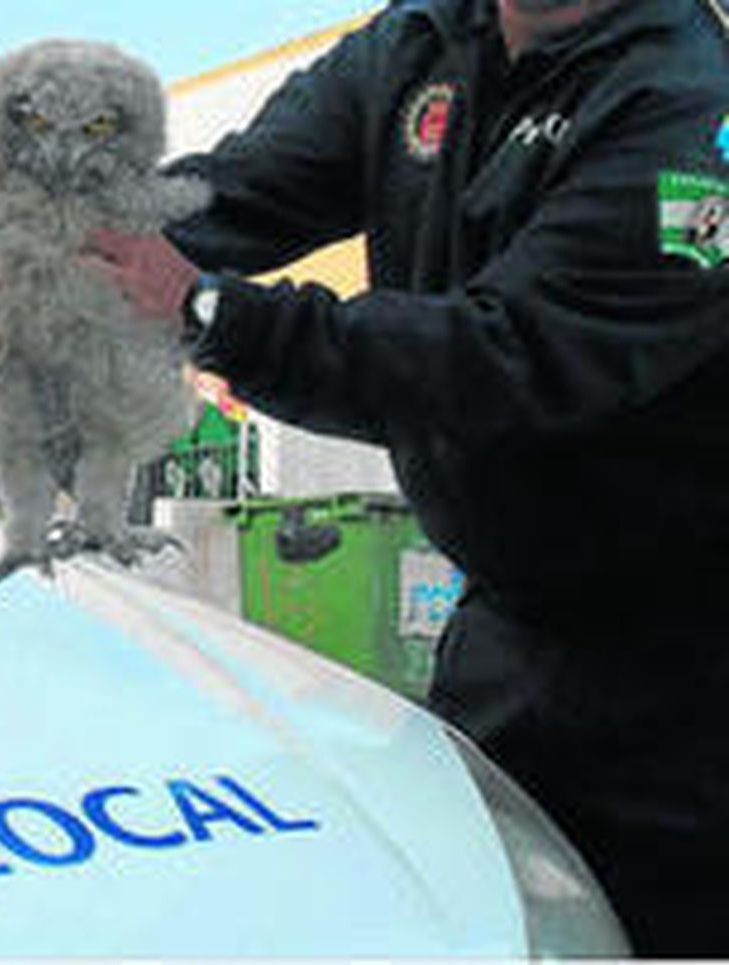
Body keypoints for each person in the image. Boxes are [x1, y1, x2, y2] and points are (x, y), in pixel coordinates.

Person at [69, 0, 729, 955]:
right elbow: (240, 189)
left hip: (683, 668)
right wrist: (69, 234)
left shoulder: (692, 103)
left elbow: (509, 358)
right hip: (507, 624)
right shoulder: (422, 38)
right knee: (464, 919)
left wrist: (210, 314)